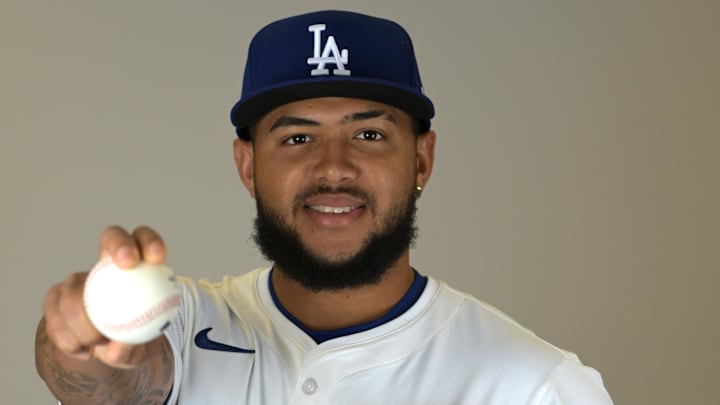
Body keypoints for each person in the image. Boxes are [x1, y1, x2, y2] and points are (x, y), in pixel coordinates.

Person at [35, 10, 613, 404]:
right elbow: (119, 383)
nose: (333, 168)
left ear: (421, 160)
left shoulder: (533, 386)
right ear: (247, 164)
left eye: (369, 135)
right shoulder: (184, 323)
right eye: (297, 138)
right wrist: (84, 341)